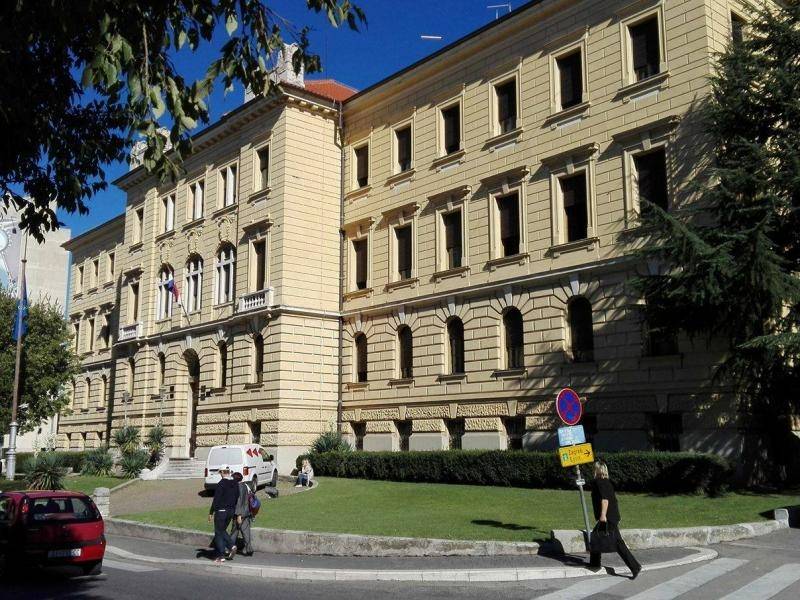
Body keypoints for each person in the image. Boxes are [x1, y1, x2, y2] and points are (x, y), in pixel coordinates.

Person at [588, 460, 641, 579]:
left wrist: (603, 515)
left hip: (608, 517)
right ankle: (595, 563)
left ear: (597, 470)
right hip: (612, 516)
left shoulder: (600, 482)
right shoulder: (607, 482)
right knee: (598, 537)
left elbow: (605, 500)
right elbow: (614, 500)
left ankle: (635, 567)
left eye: (594, 469)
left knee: (612, 542)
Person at [207, 465, 239, 564]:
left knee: (218, 531)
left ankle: (227, 550)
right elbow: (237, 496)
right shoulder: (235, 483)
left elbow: (216, 499)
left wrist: (211, 512)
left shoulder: (221, 484)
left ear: (221, 472)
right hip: (231, 510)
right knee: (222, 531)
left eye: (220, 472)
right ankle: (225, 551)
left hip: (221, 511)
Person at [230, 472, 254, 556]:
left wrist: (239, 515)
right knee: (246, 532)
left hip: (239, 513)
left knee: (234, 532)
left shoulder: (238, 487)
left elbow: (239, 502)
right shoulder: (245, 486)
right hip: (246, 512)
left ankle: (230, 548)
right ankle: (249, 549)